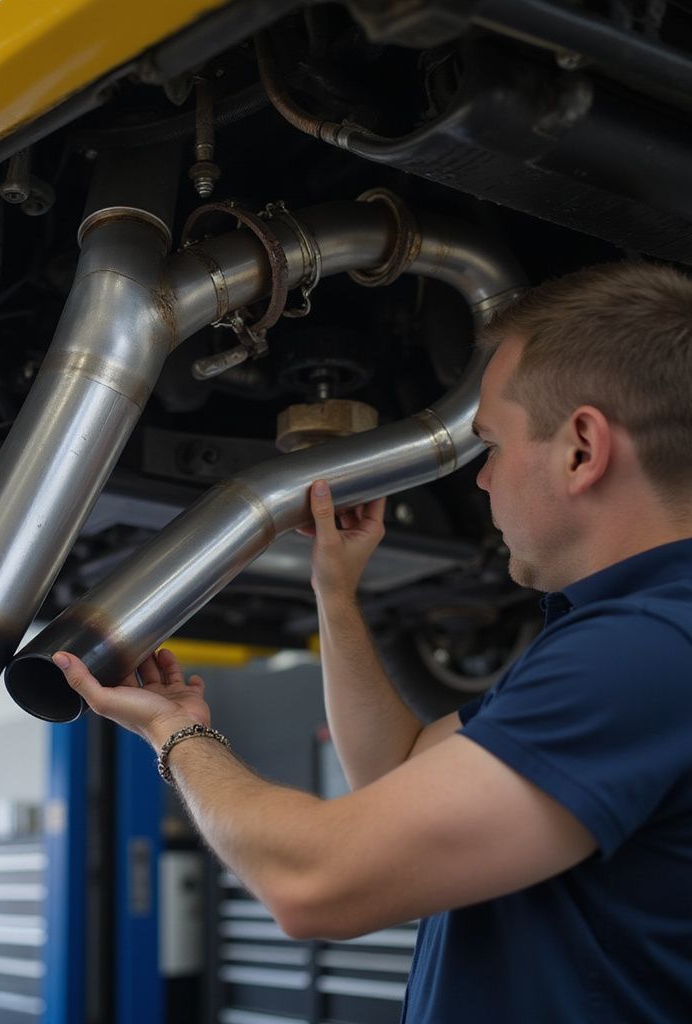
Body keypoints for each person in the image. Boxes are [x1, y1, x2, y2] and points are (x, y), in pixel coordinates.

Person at [52, 261, 692, 1022]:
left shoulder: (644, 652)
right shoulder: (636, 637)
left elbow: (314, 884)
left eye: (490, 444)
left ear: (581, 449)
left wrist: (176, 732)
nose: (482, 481)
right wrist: (337, 592)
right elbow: (398, 768)